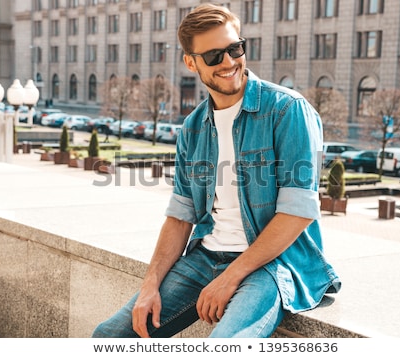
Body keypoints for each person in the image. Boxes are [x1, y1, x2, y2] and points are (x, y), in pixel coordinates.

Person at [92, 3, 341, 339]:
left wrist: (230, 277)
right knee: (110, 337)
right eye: (213, 56)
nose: (228, 62)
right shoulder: (192, 128)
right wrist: (150, 286)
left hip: (272, 265)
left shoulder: (287, 110)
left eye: (234, 48)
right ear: (191, 62)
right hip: (204, 256)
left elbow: (297, 213)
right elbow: (180, 217)